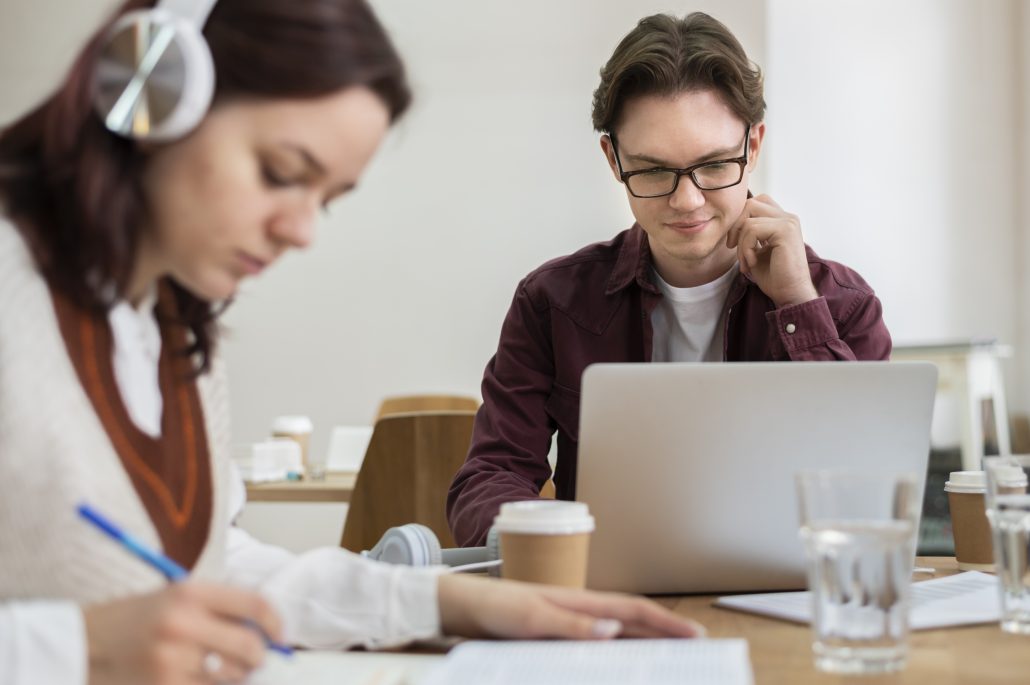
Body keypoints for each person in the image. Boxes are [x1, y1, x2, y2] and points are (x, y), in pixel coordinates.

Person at [0, 1, 703, 684]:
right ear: (154, 96)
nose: (303, 231)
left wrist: (454, 600)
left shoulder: (173, 328)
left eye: (327, 197)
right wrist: (73, 651)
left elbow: (217, 568)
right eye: (280, 172)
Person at [447, 12, 892, 547]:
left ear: (753, 147)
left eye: (713, 164)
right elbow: (490, 474)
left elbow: (869, 492)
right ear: (614, 159)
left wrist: (799, 304)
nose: (687, 200)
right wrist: (536, 549)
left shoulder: (844, 305)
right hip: (607, 603)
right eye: (654, 170)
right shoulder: (552, 303)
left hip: (790, 601)